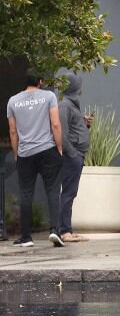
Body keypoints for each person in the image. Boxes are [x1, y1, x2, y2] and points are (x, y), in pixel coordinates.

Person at [6, 71, 64, 247]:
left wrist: (17, 154)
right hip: (47, 150)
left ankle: (26, 237)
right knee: (53, 191)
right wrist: (59, 148)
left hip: (25, 154)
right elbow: (55, 124)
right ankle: (55, 231)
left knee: (25, 194)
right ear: (40, 81)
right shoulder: (49, 96)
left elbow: (13, 131)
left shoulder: (13, 101)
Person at [57, 74, 92, 243]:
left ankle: (67, 229)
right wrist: (73, 154)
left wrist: (85, 124)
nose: (81, 87)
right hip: (73, 156)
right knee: (68, 193)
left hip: (76, 155)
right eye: (79, 84)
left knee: (71, 192)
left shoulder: (72, 105)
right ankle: (64, 231)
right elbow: (62, 134)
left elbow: (72, 129)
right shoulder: (65, 105)